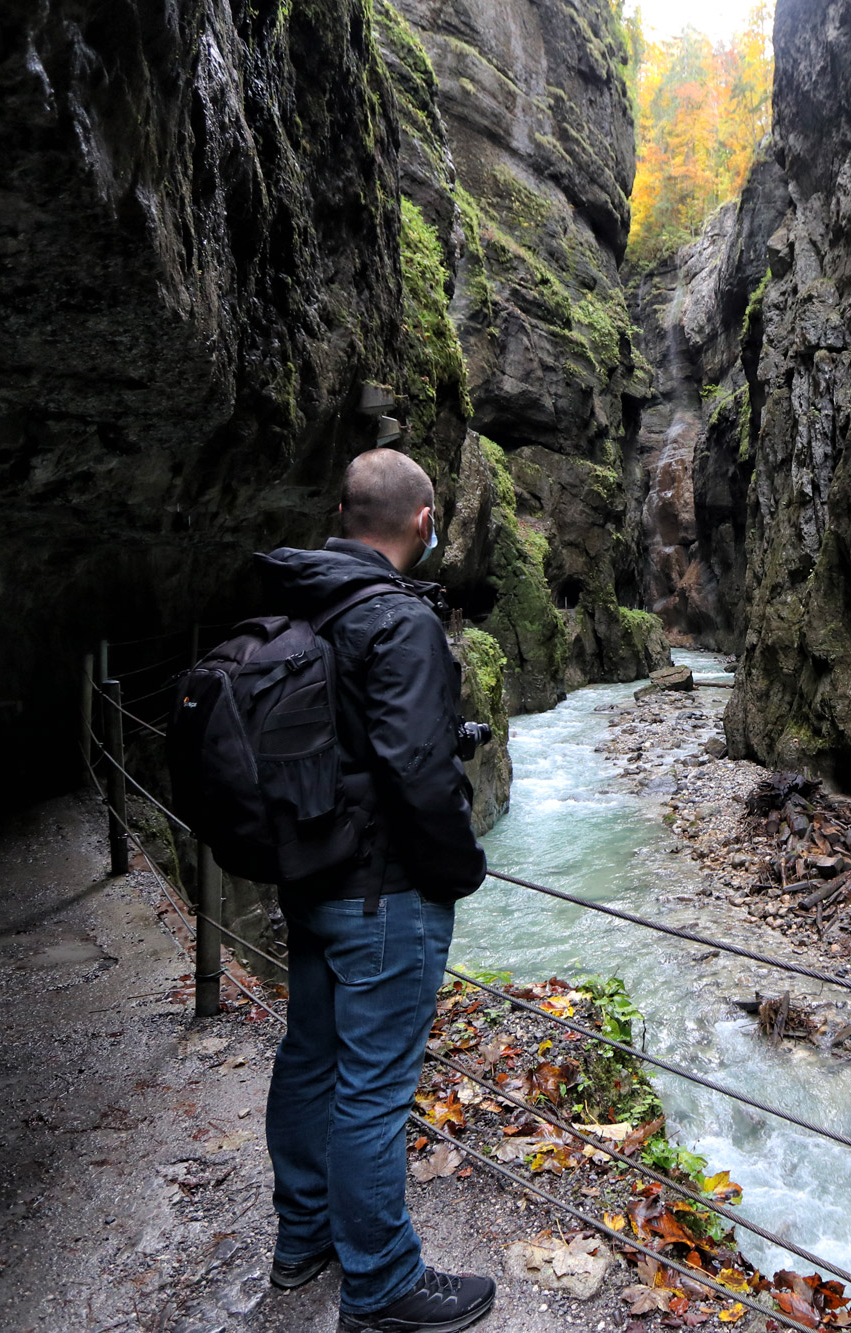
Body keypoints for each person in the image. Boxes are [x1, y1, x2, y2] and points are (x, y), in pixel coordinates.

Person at [253, 448, 495, 1333]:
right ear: (425, 521)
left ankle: (303, 1239)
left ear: (343, 513)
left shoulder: (297, 599)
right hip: (383, 892)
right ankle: (383, 1282)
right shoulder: (398, 620)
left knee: (311, 1056)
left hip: (309, 874)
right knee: (375, 1087)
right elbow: (413, 768)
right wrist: (458, 869)